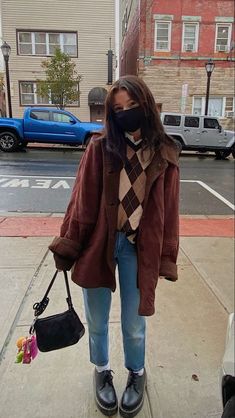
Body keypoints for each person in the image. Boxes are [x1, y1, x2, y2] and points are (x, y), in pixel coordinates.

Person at [49, 75, 180, 418]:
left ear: (146, 105)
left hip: (140, 248)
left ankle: (136, 373)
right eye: (118, 109)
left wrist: (167, 256)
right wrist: (69, 244)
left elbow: (170, 212)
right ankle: (102, 369)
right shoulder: (100, 147)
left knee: (134, 323)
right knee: (96, 319)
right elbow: (81, 202)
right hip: (99, 244)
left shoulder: (165, 152)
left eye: (132, 106)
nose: (125, 114)